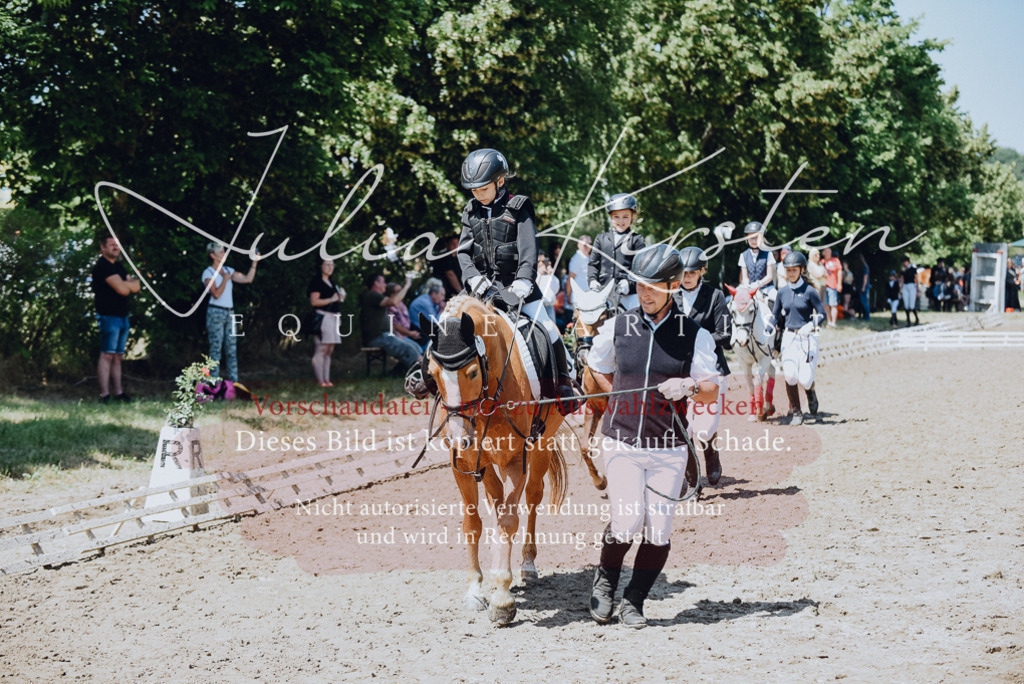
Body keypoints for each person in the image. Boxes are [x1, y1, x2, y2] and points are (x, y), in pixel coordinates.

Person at [586, 244, 721, 627]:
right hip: (622, 441)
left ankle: (634, 600)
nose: (644, 294)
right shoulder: (618, 326)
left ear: (674, 286)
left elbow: (711, 386)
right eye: (639, 286)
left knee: (658, 532)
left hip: (669, 446)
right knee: (627, 521)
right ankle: (606, 582)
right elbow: (596, 365)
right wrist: (615, 399)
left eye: (653, 287)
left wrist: (688, 387)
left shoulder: (693, 334)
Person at [456, 148, 576, 412]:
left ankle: (563, 385)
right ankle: (438, 381)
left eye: (482, 188)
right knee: (452, 325)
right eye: (473, 190)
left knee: (546, 329)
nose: (477, 194)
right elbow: (463, 253)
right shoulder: (470, 211)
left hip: (516, 287)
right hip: (482, 290)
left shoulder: (518, 207)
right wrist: (473, 278)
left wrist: (523, 280)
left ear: (500, 181)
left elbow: (528, 250)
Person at [673, 246, 732, 486]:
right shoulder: (670, 296)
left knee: (704, 431)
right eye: (683, 273)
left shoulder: (715, 296)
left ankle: (711, 451)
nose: (687, 277)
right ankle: (691, 470)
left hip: (709, 370)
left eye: (692, 273)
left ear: (702, 271)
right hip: (677, 371)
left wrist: (697, 340)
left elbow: (725, 335)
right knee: (682, 427)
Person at [769, 251, 826, 425]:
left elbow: (822, 314)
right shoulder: (782, 292)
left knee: (805, 380)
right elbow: (775, 315)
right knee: (790, 376)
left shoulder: (810, 291)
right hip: (789, 338)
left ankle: (811, 390)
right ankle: (797, 412)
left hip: (807, 338)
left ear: (801, 270)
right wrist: (767, 330)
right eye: (788, 270)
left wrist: (811, 324)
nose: (791, 273)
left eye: (794, 270)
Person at [91, 235, 141, 402]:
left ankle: (118, 393)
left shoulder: (119, 267)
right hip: (108, 317)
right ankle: (104, 395)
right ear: (103, 248)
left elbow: (137, 286)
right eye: (111, 245)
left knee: (118, 356)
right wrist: (126, 284)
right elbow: (124, 290)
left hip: (122, 317)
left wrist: (124, 283)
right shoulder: (102, 267)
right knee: (107, 355)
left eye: (117, 245)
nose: (115, 247)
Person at [202, 242, 258, 383]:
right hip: (215, 312)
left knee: (231, 349)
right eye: (221, 252)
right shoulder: (208, 273)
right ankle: (213, 383)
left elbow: (247, 279)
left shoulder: (228, 270)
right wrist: (226, 280)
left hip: (230, 312)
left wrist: (254, 263)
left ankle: (234, 383)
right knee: (216, 349)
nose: (224, 254)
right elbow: (215, 294)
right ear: (213, 255)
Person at [588, 194, 647, 311]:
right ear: (610, 217)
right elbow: (593, 264)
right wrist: (592, 280)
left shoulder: (637, 240)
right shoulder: (601, 238)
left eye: (625, 217)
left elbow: (640, 268)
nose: (621, 221)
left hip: (628, 294)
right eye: (616, 217)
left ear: (632, 216)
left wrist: (629, 283)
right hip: (603, 292)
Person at [359, 273, 422, 374]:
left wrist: (396, 335)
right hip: (377, 338)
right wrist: (406, 286)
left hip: (385, 336)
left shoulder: (377, 297)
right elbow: (393, 302)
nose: (385, 285)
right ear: (376, 283)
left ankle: (418, 373)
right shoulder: (372, 295)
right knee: (410, 349)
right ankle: (426, 375)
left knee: (415, 346)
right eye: (383, 282)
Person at [307, 257, 346, 387]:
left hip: (334, 318)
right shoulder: (317, 282)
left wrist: (339, 298)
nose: (330, 267)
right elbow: (314, 302)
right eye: (327, 265)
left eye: (332, 265)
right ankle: (320, 381)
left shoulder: (332, 283)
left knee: (329, 350)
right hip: (323, 318)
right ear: (321, 267)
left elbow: (334, 299)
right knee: (321, 349)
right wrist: (331, 299)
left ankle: (327, 380)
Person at [737, 222, 776, 297]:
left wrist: (759, 283)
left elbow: (770, 276)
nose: (754, 241)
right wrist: (747, 285)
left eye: (757, 237)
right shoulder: (743, 255)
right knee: (734, 298)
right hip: (749, 287)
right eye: (751, 238)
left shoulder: (768, 254)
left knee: (775, 296)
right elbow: (744, 276)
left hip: (766, 287)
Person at [409, 278, 445, 350]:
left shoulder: (433, 302)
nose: (443, 298)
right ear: (434, 294)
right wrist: (441, 310)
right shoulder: (425, 303)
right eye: (442, 295)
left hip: (425, 334)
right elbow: (436, 323)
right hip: (419, 336)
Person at [432, 234, 463, 300]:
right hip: (445, 294)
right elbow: (450, 275)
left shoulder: (457, 257)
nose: (455, 246)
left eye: (457, 243)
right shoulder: (445, 257)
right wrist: (462, 292)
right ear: (447, 245)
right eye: (452, 244)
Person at [821, 247, 842, 328]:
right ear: (823, 253)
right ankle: (829, 321)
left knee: (833, 304)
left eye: (829, 251)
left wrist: (839, 284)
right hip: (823, 286)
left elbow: (839, 272)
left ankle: (833, 322)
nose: (827, 253)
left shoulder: (835, 261)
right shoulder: (821, 262)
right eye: (825, 251)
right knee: (825, 305)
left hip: (833, 285)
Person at [900, 256, 920, 326]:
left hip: (912, 286)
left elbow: (916, 279)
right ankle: (908, 320)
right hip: (905, 286)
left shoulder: (913, 269)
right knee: (906, 304)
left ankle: (916, 319)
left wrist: (918, 290)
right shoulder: (903, 270)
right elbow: (902, 280)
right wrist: (900, 289)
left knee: (912, 305)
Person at [856, 254, 871, 320]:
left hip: (864, 287)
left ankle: (867, 317)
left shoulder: (864, 267)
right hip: (861, 286)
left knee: (864, 302)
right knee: (862, 302)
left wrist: (863, 287)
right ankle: (864, 316)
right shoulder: (863, 266)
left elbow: (865, 277)